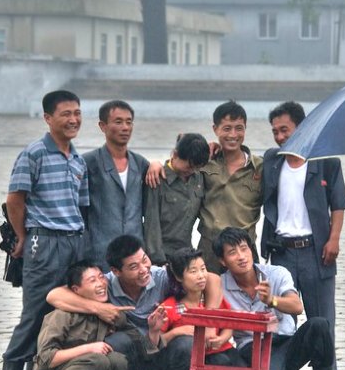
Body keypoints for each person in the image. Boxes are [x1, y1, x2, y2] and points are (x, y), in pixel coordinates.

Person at [47, 234, 222, 370]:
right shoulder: (105, 283)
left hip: (159, 348)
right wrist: (99, 308)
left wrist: (210, 324)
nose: (144, 269)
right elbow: (54, 296)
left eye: (144, 259)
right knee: (116, 342)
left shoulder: (161, 276)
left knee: (186, 344)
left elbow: (213, 280)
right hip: (129, 354)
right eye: (133, 267)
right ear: (116, 271)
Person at [0, 90, 91, 370]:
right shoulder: (34, 154)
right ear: (48, 118)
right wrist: (22, 236)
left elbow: (82, 206)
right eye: (66, 114)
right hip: (43, 241)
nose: (73, 120)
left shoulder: (78, 159)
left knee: (62, 316)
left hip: (73, 242)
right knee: (35, 313)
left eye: (77, 113)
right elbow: (15, 199)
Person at [261, 101, 345, 370]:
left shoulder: (326, 161)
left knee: (323, 320)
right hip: (282, 253)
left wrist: (334, 239)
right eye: (275, 131)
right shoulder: (273, 161)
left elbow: (338, 205)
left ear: (302, 126)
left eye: (284, 130)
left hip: (316, 252)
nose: (279, 137)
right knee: (284, 323)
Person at [214, 227, 345, 370]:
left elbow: (296, 306)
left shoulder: (276, 273)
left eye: (244, 249)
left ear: (251, 250)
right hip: (254, 348)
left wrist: (271, 300)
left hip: (287, 343)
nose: (241, 257)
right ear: (222, 260)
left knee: (319, 325)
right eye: (232, 253)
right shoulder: (220, 285)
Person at [31, 260, 165, 370]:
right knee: (99, 360)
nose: (101, 283)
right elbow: (46, 359)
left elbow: (140, 344)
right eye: (92, 280)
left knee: (118, 361)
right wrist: (89, 348)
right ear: (76, 289)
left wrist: (154, 330)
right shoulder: (61, 316)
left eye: (101, 277)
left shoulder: (110, 314)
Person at [145, 101, 264, 273]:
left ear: (246, 128)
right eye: (227, 128)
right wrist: (156, 164)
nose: (233, 134)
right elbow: (181, 160)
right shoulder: (205, 163)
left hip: (244, 250)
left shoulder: (260, 168)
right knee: (206, 298)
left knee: (249, 297)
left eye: (239, 128)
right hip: (209, 252)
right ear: (215, 129)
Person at [159, 247, 241, 370]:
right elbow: (158, 341)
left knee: (229, 364)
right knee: (186, 349)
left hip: (216, 352)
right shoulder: (170, 306)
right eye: (193, 271)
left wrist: (222, 338)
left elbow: (229, 323)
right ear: (178, 276)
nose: (201, 276)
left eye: (203, 269)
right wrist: (177, 332)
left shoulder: (213, 298)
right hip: (188, 358)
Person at [82, 100, 150, 270]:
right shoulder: (88, 163)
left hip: (134, 254)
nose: (125, 127)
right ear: (102, 126)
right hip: (99, 254)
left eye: (129, 122)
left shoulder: (141, 164)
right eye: (118, 122)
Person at [143, 133, 209, 265]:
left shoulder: (198, 178)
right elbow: (151, 225)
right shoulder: (157, 179)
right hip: (161, 257)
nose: (192, 170)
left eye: (197, 167)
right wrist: (158, 260)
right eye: (189, 166)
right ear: (175, 154)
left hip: (186, 255)